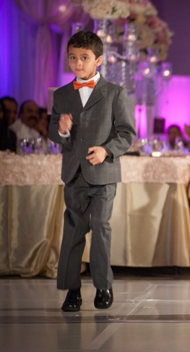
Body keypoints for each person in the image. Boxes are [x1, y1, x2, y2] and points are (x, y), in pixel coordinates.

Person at [48, 31, 136, 312]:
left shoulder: (115, 93)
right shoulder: (61, 95)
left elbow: (127, 133)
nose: (77, 63)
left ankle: (103, 285)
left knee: (100, 227)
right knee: (73, 231)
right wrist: (60, 129)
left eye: (84, 58)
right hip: (74, 173)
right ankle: (72, 290)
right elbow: (54, 130)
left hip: (103, 175)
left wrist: (106, 150)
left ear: (98, 60)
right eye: (72, 57)